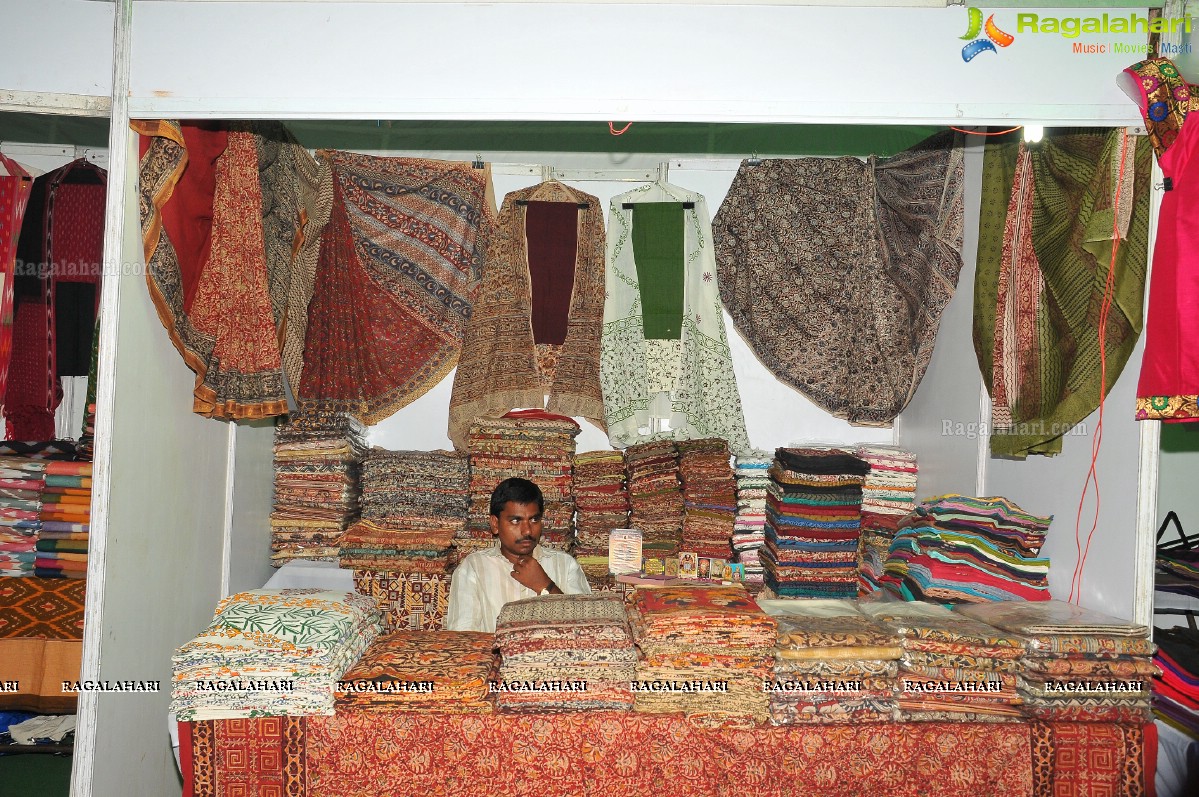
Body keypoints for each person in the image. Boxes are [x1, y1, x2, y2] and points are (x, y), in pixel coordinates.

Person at [444, 477, 591, 632]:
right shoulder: (474, 568)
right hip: (493, 656)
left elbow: (589, 631)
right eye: (515, 521)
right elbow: (464, 639)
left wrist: (545, 586)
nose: (527, 530)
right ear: (495, 524)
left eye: (534, 519)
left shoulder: (565, 565)